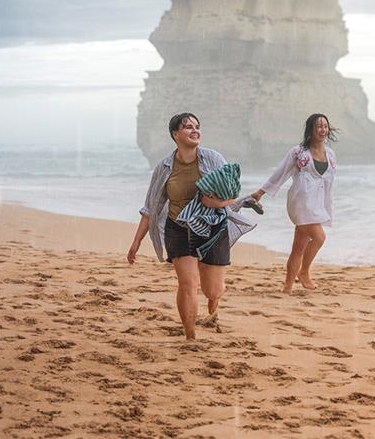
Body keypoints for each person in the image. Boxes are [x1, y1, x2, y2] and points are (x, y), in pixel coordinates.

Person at [126, 113, 255, 339]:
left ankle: (214, 301)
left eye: (197, 126)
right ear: (175, 134)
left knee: (212, 289)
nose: (194, 130)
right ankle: (190, 336)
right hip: (179, 228)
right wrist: (136, 241)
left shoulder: (213, 159)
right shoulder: (164, 167)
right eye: (188, 127)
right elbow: (151, 207)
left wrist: (214, 202)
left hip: (212, 228)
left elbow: (232, 194)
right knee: (188, 283)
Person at [251, 113, 337, 295]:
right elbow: (280, 173)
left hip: (317, 204)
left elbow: (327, 182)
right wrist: (261, 192)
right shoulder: (298, 152)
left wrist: (326, 206)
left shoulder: (330, 154)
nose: (323, 130)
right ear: (311, 129)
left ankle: (287, 288)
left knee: (298, 248)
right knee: (320, 238)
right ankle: (304, 272)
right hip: (301, 203)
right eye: (318, 126)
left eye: (325, 126)